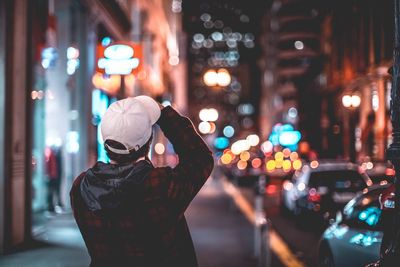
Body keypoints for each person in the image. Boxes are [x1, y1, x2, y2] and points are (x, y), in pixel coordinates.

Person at [70, 96, 214, 267]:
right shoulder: (160, 187)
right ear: (149, 141)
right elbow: (200, 158)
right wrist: (163, 113)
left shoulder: (82, 187)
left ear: (106, 142)